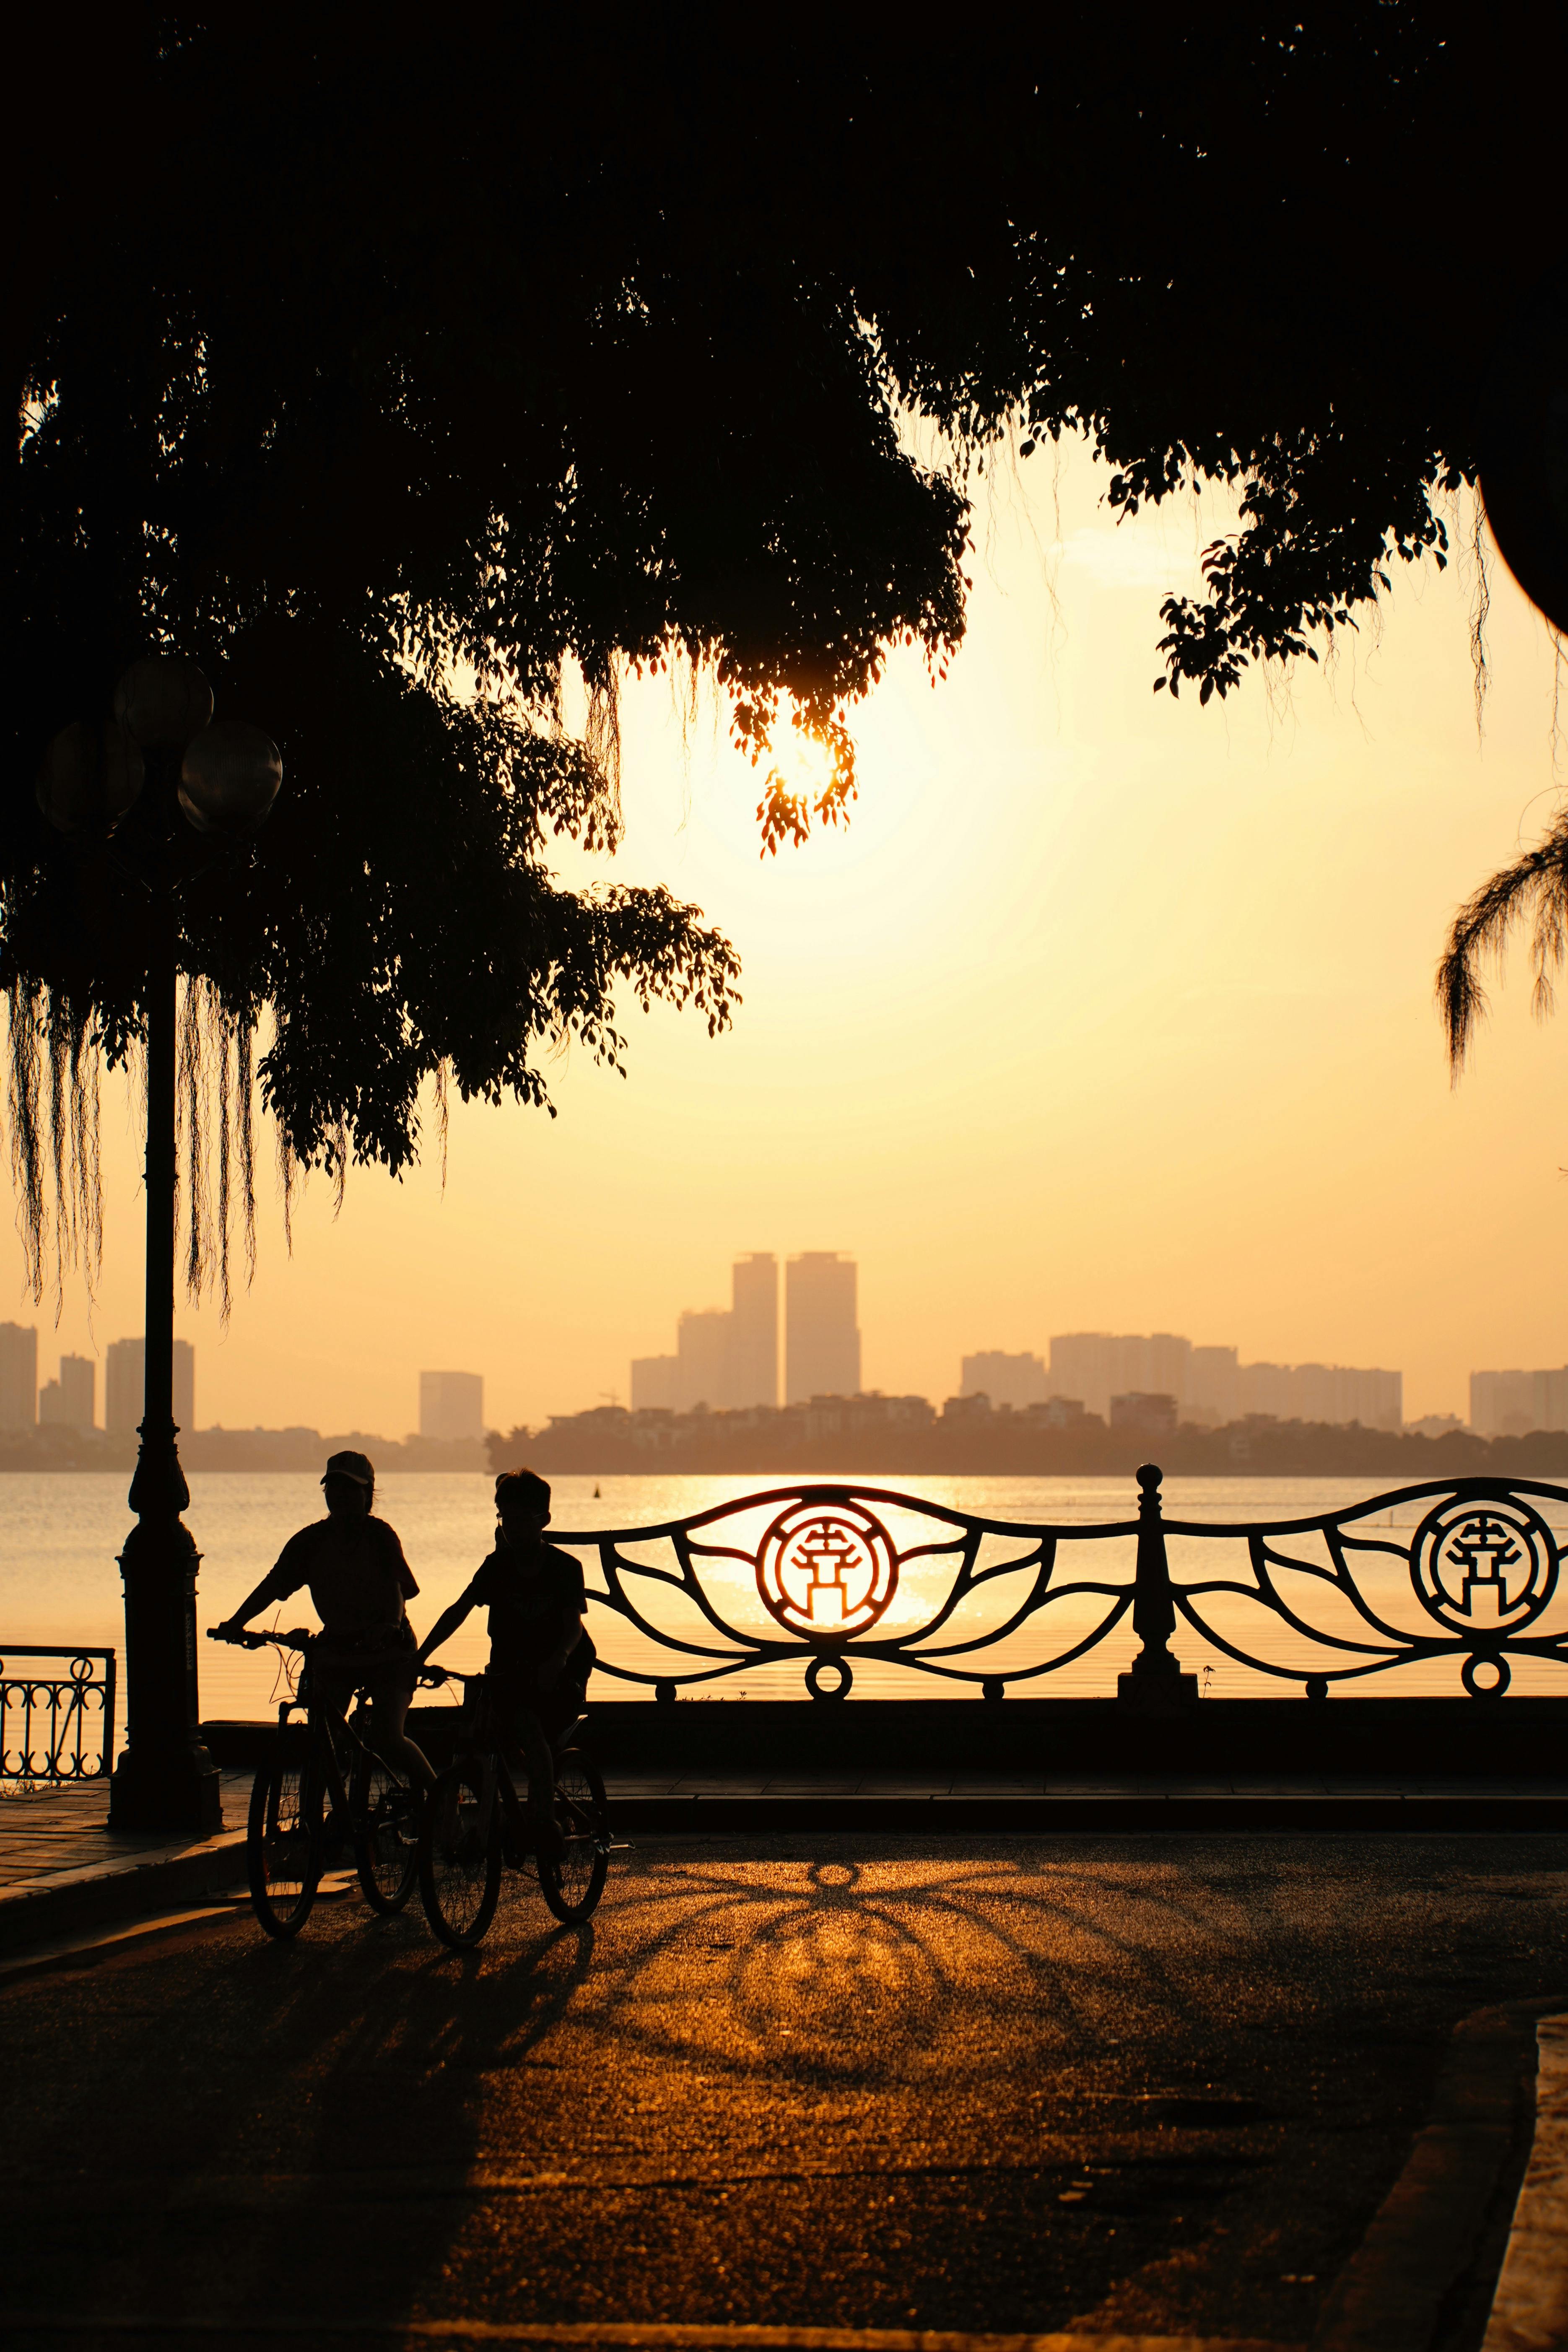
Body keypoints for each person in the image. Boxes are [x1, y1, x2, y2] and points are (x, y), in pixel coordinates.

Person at [214, 1449, 434, 1790]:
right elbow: (273, 1585)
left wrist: (390, 1626)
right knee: (322, 1739)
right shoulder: (310, 1541)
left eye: (351, 1489)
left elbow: (397, 1591)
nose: (341, 1497)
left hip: (390, 1651)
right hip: (338, 1649)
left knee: (388, 1737)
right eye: (334, 1489)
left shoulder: (380, 1536)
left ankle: (439, 1797)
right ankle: (317, 1822)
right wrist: (236, 1623)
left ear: (368, 1495)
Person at [415, 1467, 594, 1858]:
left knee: (530, 1728)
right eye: (504, 1518)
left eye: (519, 1519)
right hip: (509, 1673)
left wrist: (557, 1660)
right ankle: (488, 1822)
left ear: (543, 1520)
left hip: (558, 1675)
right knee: (474, 1733)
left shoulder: (564, 1569)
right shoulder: (496, 1567)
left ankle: (544, 1821)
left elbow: (573, 1629)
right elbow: (458, 1610)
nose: (511, 1528)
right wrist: (420, 1657)